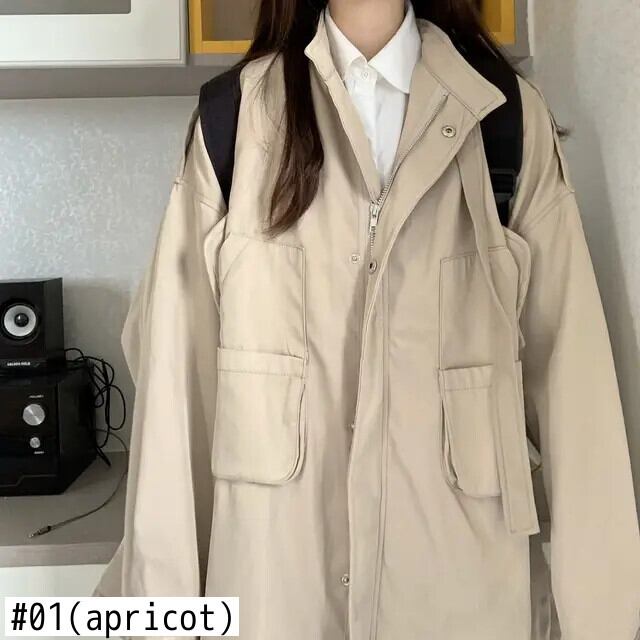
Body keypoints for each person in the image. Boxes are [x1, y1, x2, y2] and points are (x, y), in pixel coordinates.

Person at [94, 1, 640, 638]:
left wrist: (604, 620)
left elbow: (579, 400)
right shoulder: (235, 121)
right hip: (278, 596)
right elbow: (174, 401)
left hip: (461, 601)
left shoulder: (504, 120)